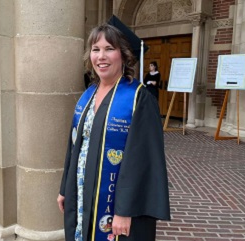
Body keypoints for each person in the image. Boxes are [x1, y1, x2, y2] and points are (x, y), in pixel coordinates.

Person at [57, 22, 170, 241]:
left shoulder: (139, 98)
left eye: (109, 49)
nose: (101, 56)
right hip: (82, 193)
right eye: (95, 49)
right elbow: (74, 148)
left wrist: (124, 210)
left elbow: (143, 160)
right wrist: (65, 188)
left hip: (117, 207)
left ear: (124, 55)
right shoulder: (88, 95)